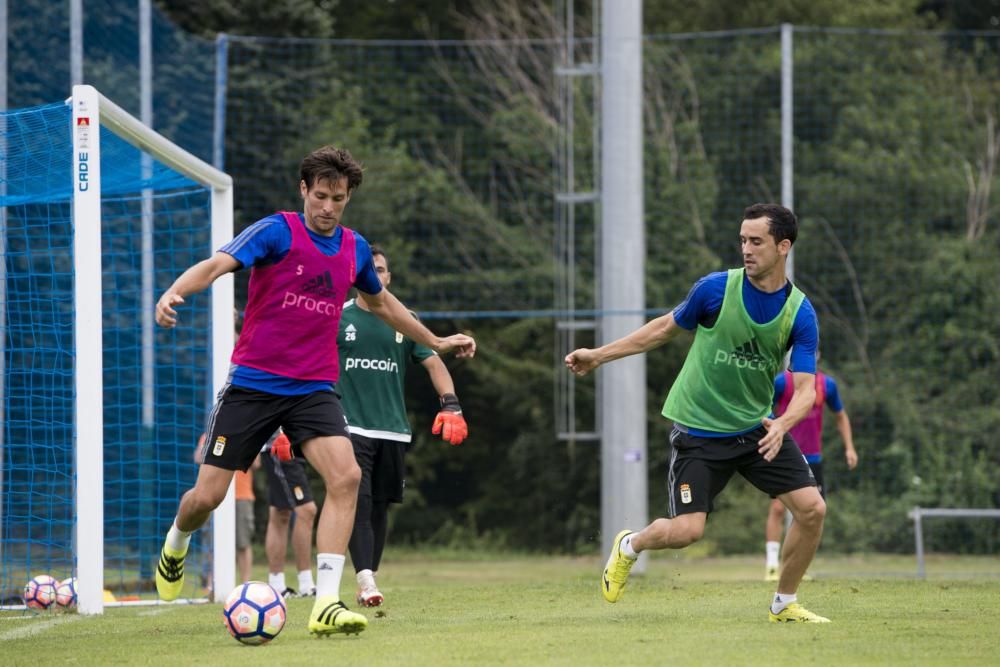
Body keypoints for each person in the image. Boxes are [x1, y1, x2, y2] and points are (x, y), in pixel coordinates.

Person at [153, 146, 476, 636]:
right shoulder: (275, 231)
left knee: (345, 478)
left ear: (348, 199)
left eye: (338, 199)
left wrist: (434, 340)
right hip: (253, 386)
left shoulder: (355, 248)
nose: (327, 207)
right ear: (304, 190)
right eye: (320, 196)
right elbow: (217, 264)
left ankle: (325, 601)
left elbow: (383, 303)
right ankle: (176, 542)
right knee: (208, 496)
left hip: (313, 389)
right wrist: (174, 290)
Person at [566, 203, 831, 623]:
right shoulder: (714, 289)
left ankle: (784, 603)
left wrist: (782, 423)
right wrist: (598, 356)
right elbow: (660, 330)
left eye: (756, 241)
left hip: (756, 431)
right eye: (743, 239)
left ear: (783, 247)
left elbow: (805, 390)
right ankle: (629, 546)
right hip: (700, 433)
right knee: (688, 531)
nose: (746, 248)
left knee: (813, 509)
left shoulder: (800, 311)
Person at [338, 245, 469, 608]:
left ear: (388, 277)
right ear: (355, 276)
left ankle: (368, 579)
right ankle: (365, 579)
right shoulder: (338, 317)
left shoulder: (405, 320)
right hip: (351, 427)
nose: (375, 276)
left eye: (380, 270)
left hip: (393, 430)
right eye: (369, 269)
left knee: (380, 507)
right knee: (358, 501)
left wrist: (452, 403)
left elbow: (433, 362)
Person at [764, 356, 857, 580]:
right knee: (777, 509)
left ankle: (793, 568)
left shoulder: (827, 385)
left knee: (808, 513)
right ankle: (771, 567)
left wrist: (850, 448)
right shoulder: (781, 382)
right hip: (785, 455)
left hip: (813, 458)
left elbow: (841, 416)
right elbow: (765, 408)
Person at [261, 429, 319, 598]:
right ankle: (306, 585)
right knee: (307, 510)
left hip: (297, 445)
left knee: (280, 513)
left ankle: (277, 585)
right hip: (279, 444)